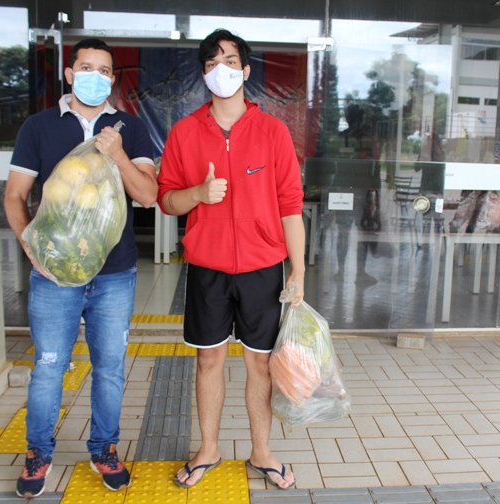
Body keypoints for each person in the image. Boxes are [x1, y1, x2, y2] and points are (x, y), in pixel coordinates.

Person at [4, 38, 158, 498]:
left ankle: (104, 448)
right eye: (86, 67)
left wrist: (117, 155)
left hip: (115, 273)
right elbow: (14, 197)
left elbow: (148, 195)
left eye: (105, 70)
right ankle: (38, 453)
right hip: (54, 276)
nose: (95, 75)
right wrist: (30, 248)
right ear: (69, 74)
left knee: (109, 367)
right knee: (49, 366)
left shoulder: (128, 128)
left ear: (114, 79)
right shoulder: (39, 127)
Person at [156, 29, 305, 490]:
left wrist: (297, 270)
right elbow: (166, 201)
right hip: (208, 268)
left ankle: (262, 451)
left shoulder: (272, 131)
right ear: (204, 74)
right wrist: (198, 194)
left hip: (263, 268)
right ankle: (209, 447)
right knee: (208, 362)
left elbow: (290, 206)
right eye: (212, 62)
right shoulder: (184, 133)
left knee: (259, 364)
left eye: (230, 60)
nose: (222, 69)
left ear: (245, 70)